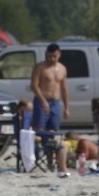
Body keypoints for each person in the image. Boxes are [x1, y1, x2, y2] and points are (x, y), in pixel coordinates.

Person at [31, 43, 70, 176]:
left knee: (54, 132)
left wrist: (66, 107)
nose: (52, 59)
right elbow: (34, 86)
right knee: (40, 132)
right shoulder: (40, 67)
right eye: (49, 56)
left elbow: (64, 89)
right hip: (42, 101)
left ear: (59, 55)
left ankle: (50, 161)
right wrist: (43, 101)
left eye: (54, 56)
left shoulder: (62, 69)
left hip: (55, 103)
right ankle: (36, 160)